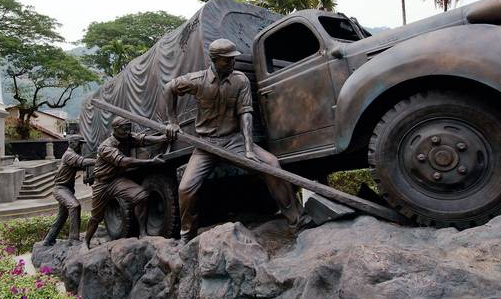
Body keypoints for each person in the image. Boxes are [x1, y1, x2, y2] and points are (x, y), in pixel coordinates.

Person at [164, 38, 309, 243]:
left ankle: (297, 222)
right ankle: (187, 236)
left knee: (272, 165)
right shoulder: (197, 80)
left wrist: (249, 149)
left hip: (234, 141)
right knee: (185, 188)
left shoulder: (240, 80)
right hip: (206, 145)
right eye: (227, 60)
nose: (232, 63)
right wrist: (172, 121)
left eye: (233, 59)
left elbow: (246, 114)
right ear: (214, 60)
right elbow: (169, 88)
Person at [83, 116, 170, 248]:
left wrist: (163, 138)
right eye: (124, 128)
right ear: (115, 129)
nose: (128, 131)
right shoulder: (106, 147)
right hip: (102, 183)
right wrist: (151, 162)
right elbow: (124, 161)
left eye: (129, 127)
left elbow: (143, 140)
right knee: (96, 216)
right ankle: (86, 242)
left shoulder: (127, 137)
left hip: (116, 181)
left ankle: (142, 232)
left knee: (142, 196)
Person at [43, 135, 95, 246]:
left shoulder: (73, 155)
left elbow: (82, 166)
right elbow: (83, 162)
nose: (81, 146)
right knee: (74, 206)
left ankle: (48, 240)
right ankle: (73, 239)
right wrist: (100, 159)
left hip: (66, 189)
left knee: (61, 217)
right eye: (80, 144)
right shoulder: (69, 155)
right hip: (61, 189)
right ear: (73, 143)